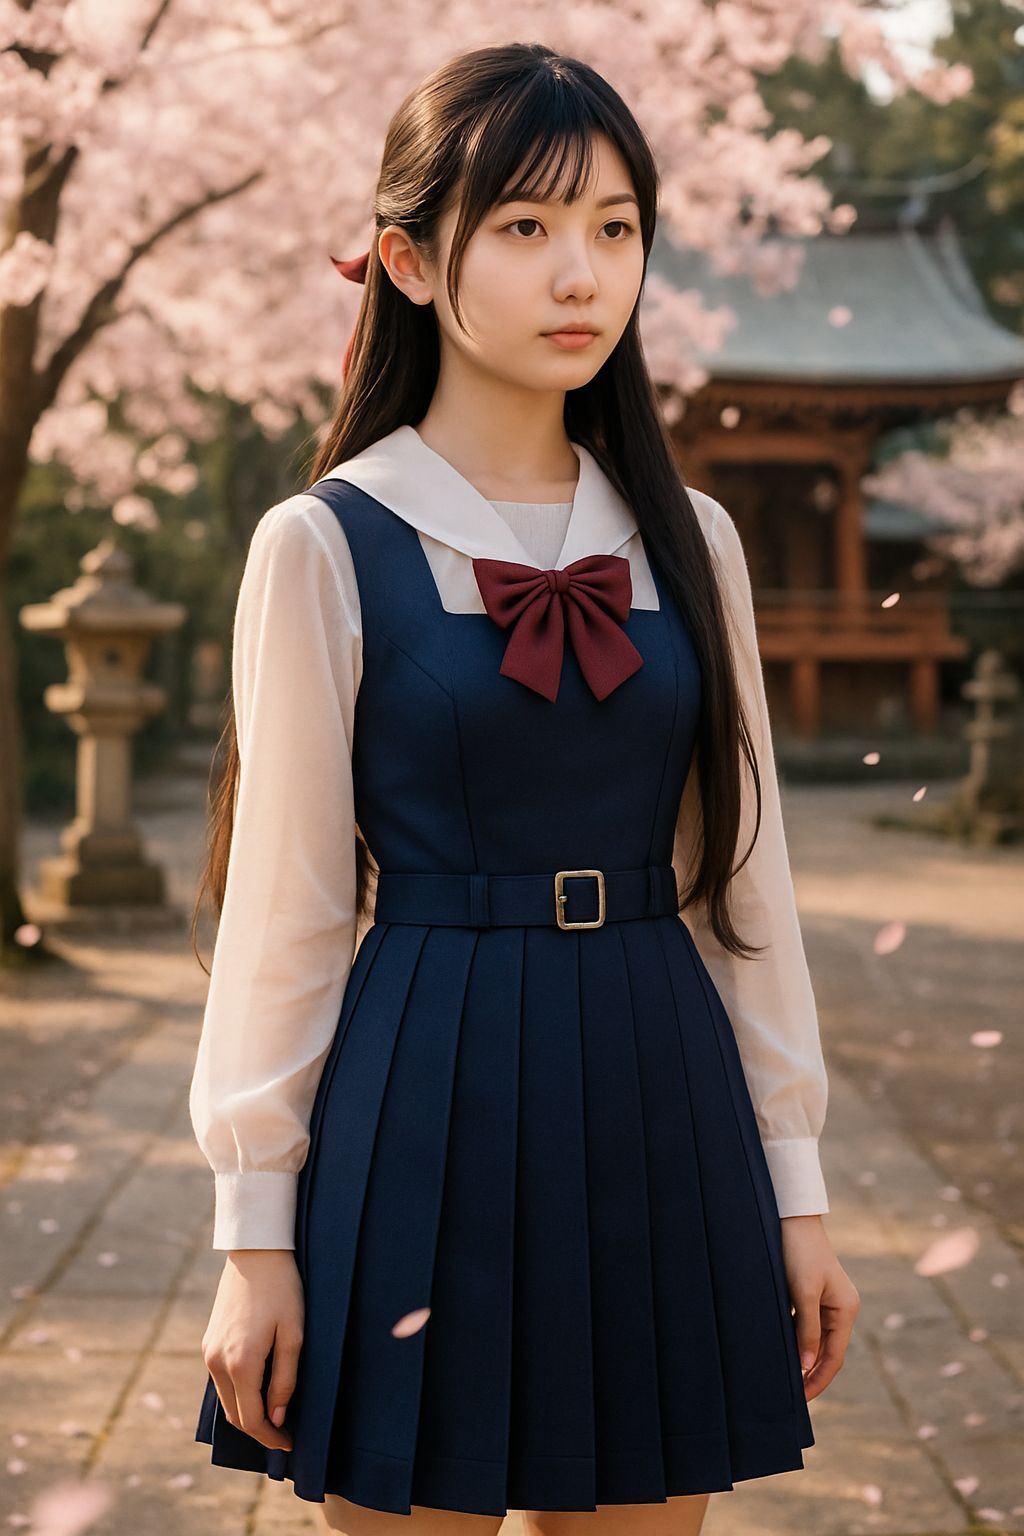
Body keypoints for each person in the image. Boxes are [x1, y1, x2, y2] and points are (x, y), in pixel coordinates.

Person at [188, 40, 860, 1536]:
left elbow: (743, 888)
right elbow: (286, 909)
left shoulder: (690, 540)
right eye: (529, 226)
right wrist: (255, 1233)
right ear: (411, 262)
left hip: (655, 1079)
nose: (583, 274)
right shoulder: (324, 544)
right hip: (420, 1081)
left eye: (616, 228)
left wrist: (796, 1192)